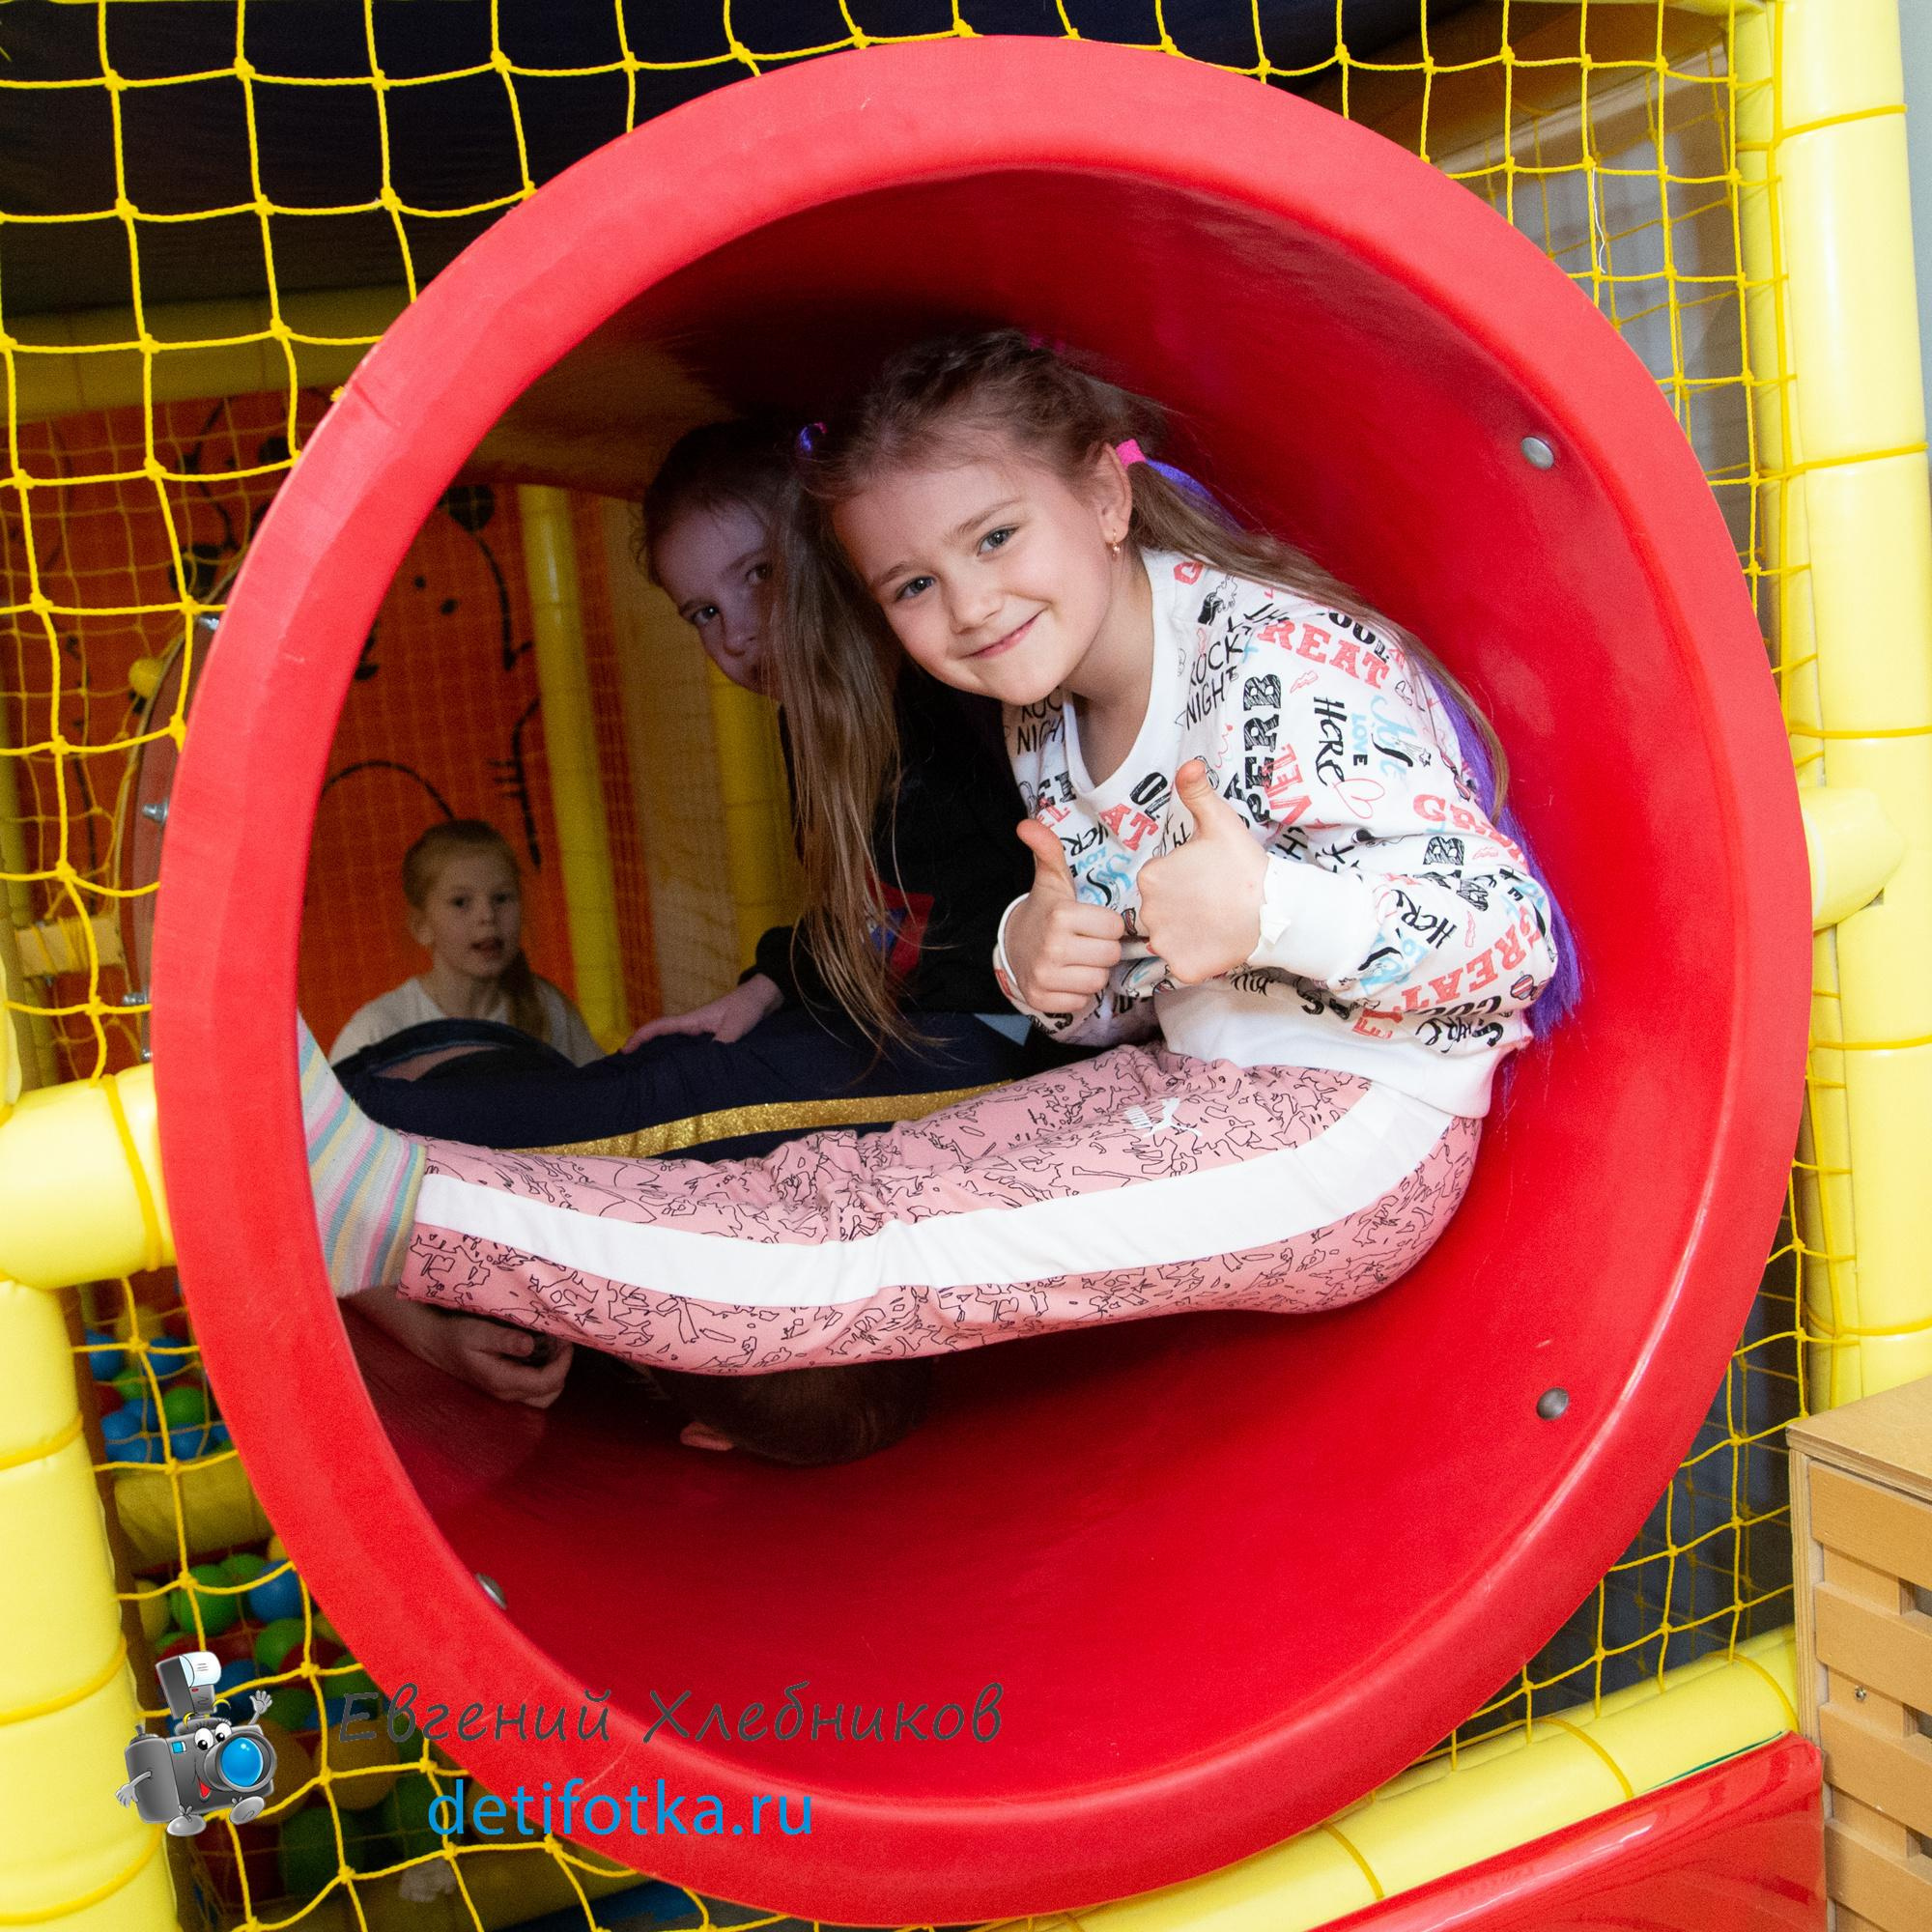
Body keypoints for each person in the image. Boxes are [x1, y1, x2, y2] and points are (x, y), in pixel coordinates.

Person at [298, 328, 1568, 1445]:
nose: (968, 607)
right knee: (834, 1188)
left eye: (997, 537)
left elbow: (1508, 943)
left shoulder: (1280, 664)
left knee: (866, 1252)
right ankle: (420, 1204)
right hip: (1193, 1084)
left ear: (1104, 495)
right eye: (913, 584)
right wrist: (1045, 960)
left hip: (1351, 1135)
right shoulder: (1042, 719)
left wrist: (1273, 912)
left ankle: (406, 1216)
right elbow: (1121, 994)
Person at [331, 419, 1053, 1157]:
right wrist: (767, 988)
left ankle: (344, 1125)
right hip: (888, 1013)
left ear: (837, 548)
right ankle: (341, 1108)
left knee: (665, 1108)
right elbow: (871, 914)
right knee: (662, 1066)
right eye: (703, 613)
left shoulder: (946, 688)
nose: (736, 633)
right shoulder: (811, 722)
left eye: (760, 574)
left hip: (994, 1031)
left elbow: (996, 901)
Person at [327, 820, 601, 1067]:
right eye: (461, 902)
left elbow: (598, 1100)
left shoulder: (548, 1010)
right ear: (422, 927)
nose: (488, 916)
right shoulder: (377, 1032)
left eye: (502, 898)